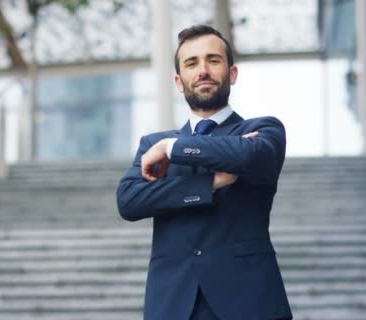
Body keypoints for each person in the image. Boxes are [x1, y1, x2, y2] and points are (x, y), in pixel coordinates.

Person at [116, 25, 292, 320]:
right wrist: (209, 183)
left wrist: (172, 148)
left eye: (213, 60)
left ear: (232, 73)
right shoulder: (151, 145)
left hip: (250, 303)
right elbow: (129, 200)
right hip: (173, 304)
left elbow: (250, 155)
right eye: (191, 62)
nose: (203, 70)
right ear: (178, 80)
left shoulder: (263, 130)